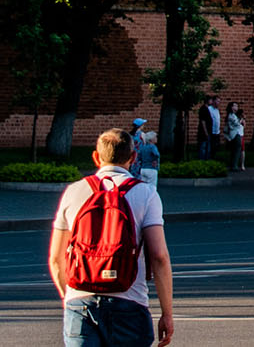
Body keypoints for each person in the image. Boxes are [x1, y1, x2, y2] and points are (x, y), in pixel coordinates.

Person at [48, 127, 174, 347]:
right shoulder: (146, 194)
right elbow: (159, 256)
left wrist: (69, 298)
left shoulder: (73, 192)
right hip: (130, 301)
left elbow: (56, 259)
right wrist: (167, 313)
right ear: (133, 158)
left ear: (96, 157)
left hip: (81, 301)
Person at [224, 102, 245, 171]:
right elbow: (237, 123)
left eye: (237, 106)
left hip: (237, 133)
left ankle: (233, 165)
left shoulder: (234, 115)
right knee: (236, 150)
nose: (236, 107)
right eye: (235, 106)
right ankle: (234, 166)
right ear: (231, 107)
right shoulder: (231, 116)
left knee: (235, 150)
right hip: (235, 134)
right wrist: (241, 119)